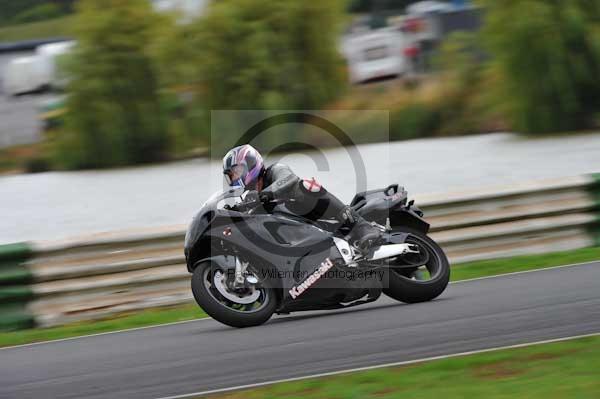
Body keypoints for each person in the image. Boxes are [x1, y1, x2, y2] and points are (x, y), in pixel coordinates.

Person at [222, 144, 382, 252]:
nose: (235, 178)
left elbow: (289, 179)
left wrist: (263, 196)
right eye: (231, 175)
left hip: (317, 215)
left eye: (236, 171)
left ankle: (361, 225)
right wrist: (235, 212)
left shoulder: (276, 170)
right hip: (301, 234)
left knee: (304, 186)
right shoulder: (251, 197)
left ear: (250, 163)